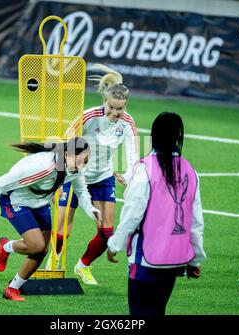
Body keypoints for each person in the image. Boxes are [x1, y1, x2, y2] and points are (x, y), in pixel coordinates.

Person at [0, 137, 102, 301]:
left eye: (85, 162)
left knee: (42, 250)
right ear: (66, 154)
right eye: (79, 161)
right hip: (16, 199)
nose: (81, 166)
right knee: (36, 245)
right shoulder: (43, 167)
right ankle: (6, 246)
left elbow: (82, 192)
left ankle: (12, 288)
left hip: (40, 202)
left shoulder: (75, 168)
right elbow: (4, 181)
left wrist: (91, 209)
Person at [45, 64, 139, 285]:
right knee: (62, 231)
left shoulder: (127, 123)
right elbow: (65, 143)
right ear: (104, 101)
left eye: (121, 109)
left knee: (107, 234)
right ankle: (53, 259)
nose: (115, 113)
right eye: (112, 107)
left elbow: (133, 153)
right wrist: (59, 176)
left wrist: (128, 175)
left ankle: (83, 266)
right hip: (76, 177)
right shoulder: (88, 116)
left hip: (104, 178)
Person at [107, 112, 206, 316]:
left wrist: (114, 244)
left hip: (147, 259)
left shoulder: (145, 169)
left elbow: (132, 215)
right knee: (158, 311)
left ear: (153, 136)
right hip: (176, 259)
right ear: (179, 137)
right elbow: (196, 222)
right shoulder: (191, 171)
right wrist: (195, 259)